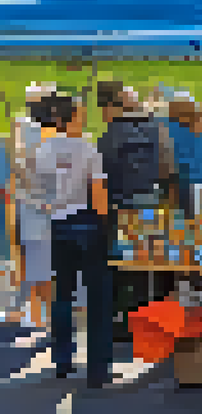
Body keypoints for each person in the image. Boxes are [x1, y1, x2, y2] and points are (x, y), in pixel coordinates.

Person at [36, 93, 114, 387]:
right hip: (87, 221)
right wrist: (105, 223)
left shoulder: (43, 151)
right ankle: (98, 369)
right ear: (73, 118)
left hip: (57, 223)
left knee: (63, 294)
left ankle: (62, 360)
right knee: (97, 297)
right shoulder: (87, 148)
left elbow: (39, 191)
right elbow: (99, 192)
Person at [96, 82, 174, 343]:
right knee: (151, 264)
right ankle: (151, 318)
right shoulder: (154, 129)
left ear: (110, 108)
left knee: (122, 266)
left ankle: (124, 322)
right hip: (151, 203)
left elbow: (101, 176)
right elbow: (167, 169)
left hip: (120, 208)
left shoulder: (109, 136)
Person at [13, 85, 55, 332]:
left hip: (38, 206)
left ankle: (43, 314)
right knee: (40, 262)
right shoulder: (28, 127)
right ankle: (42, 313)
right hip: (38, 206)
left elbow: (19, 163)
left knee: (40, 262)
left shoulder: (26, 127)